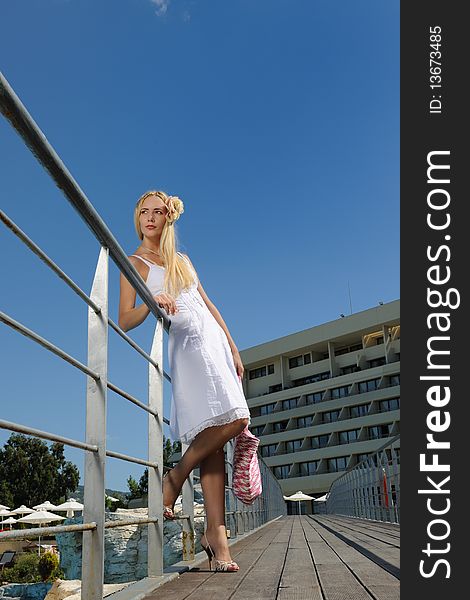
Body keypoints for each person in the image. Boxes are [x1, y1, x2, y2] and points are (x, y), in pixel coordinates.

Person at [118, 190, 252, 572]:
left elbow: (208, 304)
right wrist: (153, 300)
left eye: (158, 211)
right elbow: (125, 319)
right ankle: (175, 479)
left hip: (213, 344)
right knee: (234, 420)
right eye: (143, 211)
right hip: (188, 350)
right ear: (137, 216)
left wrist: (233, 346)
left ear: (168, 219)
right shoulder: (135, 263)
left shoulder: (182, 260)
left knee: (217, 439)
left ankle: (216, 534)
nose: (150, 217)